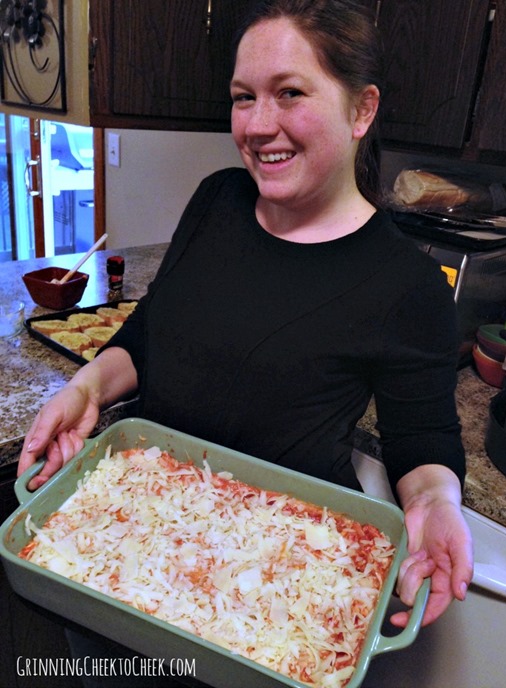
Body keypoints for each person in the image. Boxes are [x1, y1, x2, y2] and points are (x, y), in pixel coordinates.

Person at [19, 0, 472, 647]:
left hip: (266, 597)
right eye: (242, 97)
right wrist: (85, 389)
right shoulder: (218, 200)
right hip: (123, 543)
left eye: (290, 93)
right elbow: (151, 333)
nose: (259, 125)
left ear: (362, 109)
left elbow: (422, 439)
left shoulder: (407, 286)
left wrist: (436, 505)